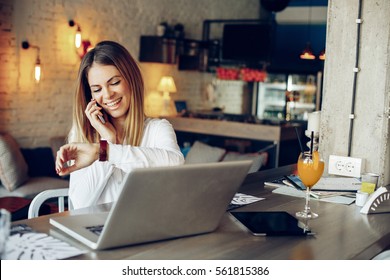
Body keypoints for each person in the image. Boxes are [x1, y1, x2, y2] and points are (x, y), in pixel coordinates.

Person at [55, 41, 184, 209]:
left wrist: (105, 152)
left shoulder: (158, 129)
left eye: (114, 82)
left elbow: (175, 164)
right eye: (97, 89)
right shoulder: (81, 133)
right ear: (90, 95)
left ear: (131, 79)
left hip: (147, 229)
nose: (107, 95)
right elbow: (80, 203)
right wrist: (107, 140)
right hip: (98, 231)